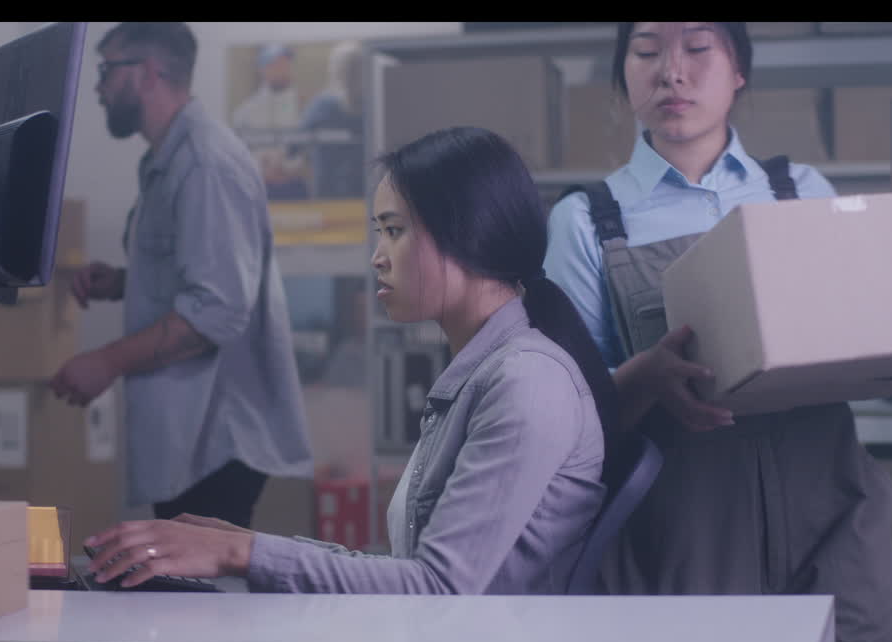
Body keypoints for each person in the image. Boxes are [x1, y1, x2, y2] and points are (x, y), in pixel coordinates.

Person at [85, 126, 627, 595]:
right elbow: (411, 571)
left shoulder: (527, 380)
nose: (377, 257)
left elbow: (437, 588)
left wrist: (241, 555)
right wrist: (243, 543)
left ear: (467, 233)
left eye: (394, 230)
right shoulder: (489, 373)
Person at [544, 22, 892, 642]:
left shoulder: (800, 192)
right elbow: (561, 411)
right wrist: (644, 377)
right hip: (679, 535)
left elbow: (866, 328)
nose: (671, 71)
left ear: (739, 69)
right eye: (647, 51)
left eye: (697, 48)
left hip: (831, 511)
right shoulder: (587, 221)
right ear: (624, 75)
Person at [51, 22, 313, 530]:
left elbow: (217, 310)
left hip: (215, 437)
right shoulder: (167, 160)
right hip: (191, 437)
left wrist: (106, 361)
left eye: (107, 71)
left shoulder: (204, 163)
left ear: (149, 73)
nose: (99, 88)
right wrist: (125, 282)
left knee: (197, 580)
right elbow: (199, 274)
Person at [231, 42, 308, 200]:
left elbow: (307, 151)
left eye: (285, 64)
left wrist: (289, 168)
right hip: (258, 188)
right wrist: (262, 166)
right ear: (262, 69)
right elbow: (238, 153)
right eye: (276, 64)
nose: (282, 69)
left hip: (294, 188)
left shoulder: (304, 107)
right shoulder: (245, 111)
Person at [297, 39, 366, 199]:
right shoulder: (321, 107)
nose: (349, 74)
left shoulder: (322, 106)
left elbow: (293, 146)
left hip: (348, 194)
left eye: (353, 69)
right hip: (339, 195)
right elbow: (294, 145)